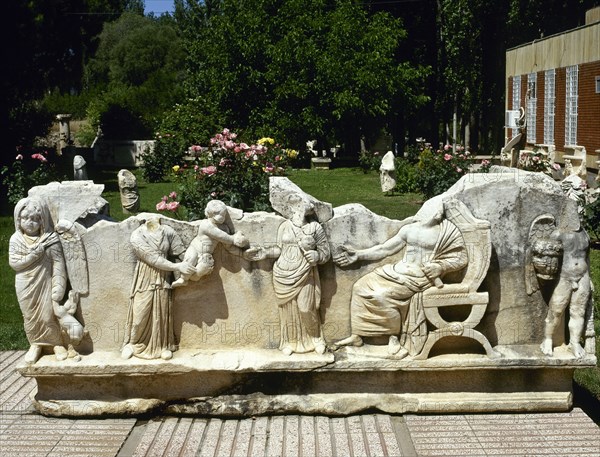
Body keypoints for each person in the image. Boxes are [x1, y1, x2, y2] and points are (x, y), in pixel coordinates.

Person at [333, 205, 467, 358]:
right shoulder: (409, 229)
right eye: (436, 209)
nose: (439, 213)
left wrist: (441, 267)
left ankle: (393, 338)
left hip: (419, 278)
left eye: (440, 210)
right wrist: (359, 255)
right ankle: (358, 335)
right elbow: (385, 249)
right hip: (395, 271)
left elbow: (461, 257)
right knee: (359, 286)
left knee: (383, 296)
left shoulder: (446, 232)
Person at [246, 194, 330, 355]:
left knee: (306, 308)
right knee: (287, 311)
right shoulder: (285, 226)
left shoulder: (314, 228)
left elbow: (325, 253)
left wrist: (317, 256)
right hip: (282, 272)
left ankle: (316, 337)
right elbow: (279, 248)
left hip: (305, 272)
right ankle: (290, 342)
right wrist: (265, 253)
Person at [122, 216, 195, 360]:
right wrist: (177, 266)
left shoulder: (168, 231)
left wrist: (197, 254)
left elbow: (180, 252)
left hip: (163, 278)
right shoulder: (137, 235)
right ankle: (132, 343)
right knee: (139, 315)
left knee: (162, 314)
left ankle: (163, 345)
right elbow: (152, 259)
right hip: (145, 277)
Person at [9, 197, 70, 364]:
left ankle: (56, 344)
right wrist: (34, 255)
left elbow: (58, 262)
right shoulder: (16, 239)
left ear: (42, 220)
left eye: (36, 219)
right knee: (29, 315)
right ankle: (35, 345)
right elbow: (14, 264)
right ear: (18, 219)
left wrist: (59, 285)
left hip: (45, 281)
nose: (30, 223)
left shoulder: (50, 239)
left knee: (47, 314)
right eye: (26, 218)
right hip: (25, 283)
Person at [540, 221, 591, 359]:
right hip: (564, 276)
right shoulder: (558, 233)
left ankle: (574, 343)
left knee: (578, 311)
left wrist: (589, 278)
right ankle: (548, 339)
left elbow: (587, 257)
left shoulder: (584, 233)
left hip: (583, 276)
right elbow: (546, 255)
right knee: (556, 310)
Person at [172, 200, 248, 288]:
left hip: (206, 254)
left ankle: (193, 277)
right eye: (219, 215)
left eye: (224, 215)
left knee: (204, 266)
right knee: (191, 259)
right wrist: (235, 239)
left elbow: (229, 247)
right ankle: (183, 279)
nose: (222, 218)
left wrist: (242, 253)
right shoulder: (206, 225)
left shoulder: (224, 229)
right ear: (209, 214)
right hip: (195, 248)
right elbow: (222, 236)